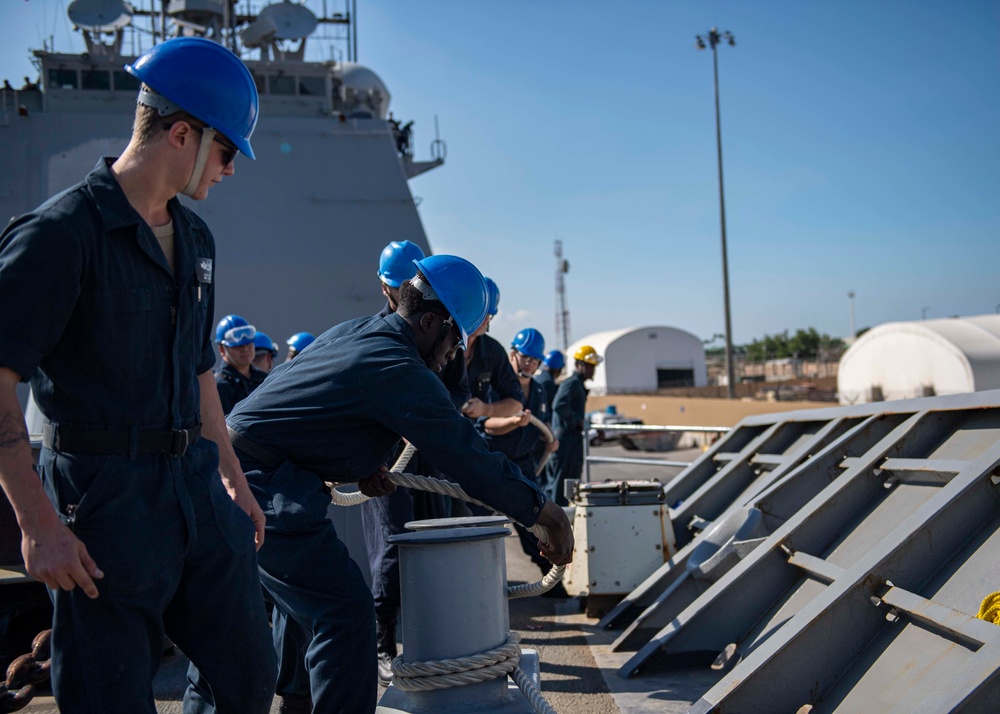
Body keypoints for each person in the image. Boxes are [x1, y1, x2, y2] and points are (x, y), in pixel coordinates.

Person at [0, 37, 276, 713]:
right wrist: (37, 525)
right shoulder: (60, 235)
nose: (231, 170)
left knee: (247, 673)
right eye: (227, 151)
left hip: (194, 490)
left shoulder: (198, 242)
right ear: (183, 133)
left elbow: (201, 374)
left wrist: (234, 485)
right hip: (105, 502)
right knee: (109, 694)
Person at [226, 255, 573, 713]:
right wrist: (544, 513)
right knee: (345, 615)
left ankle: (296, 704)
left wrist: (355, 460)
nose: (455, 355)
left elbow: (307, 406)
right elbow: (466, 455)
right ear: (431, 322)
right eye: (455, 340)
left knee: (271, 618)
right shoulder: (398, 365)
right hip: (262, 486)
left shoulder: (359, 333)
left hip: (236, 473)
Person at [364, 239, 470, 687]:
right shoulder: (375, 338)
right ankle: (382, 643)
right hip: (389, 460)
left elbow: (459, 391)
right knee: (392, 548)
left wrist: (431, 416)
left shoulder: (443, 333)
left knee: (438, 538)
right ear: (386, 289)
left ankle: (434, 638)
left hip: (432, 456)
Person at [481, 328, 563, 594]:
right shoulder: (499, 387)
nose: (528, 363)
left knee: (535, 524)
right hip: (492, 463)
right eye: (524, 357)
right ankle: (477, 583)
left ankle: (550, 581)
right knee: (478, 522)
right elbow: (488, 426)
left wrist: (548, 440)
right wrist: (513, 422)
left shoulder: (538, 391)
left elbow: (542, 421)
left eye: (533, 360)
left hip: (524, 466)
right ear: (512, 355)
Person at [461, 277, 524, 421]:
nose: (485, 320)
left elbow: (515, 404)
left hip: (467, 436)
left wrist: (485, 409)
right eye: (481, 313)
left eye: (489, 315)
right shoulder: (441, 341)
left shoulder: (493, 351)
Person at [547, 344, 602, 506]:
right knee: (560, 486)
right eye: (589, 366)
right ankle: (555, 523)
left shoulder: (578, 384)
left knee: (570, 485)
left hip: (571, 442)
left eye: (593, 366)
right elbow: (558, 405)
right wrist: (577, 421)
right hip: (565, 443)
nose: (593, 370)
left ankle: (564, 521)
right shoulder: (571, 383)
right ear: (579, 365)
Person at [214, 314, 267, 415]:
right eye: (238, 346)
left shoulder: (264, 379)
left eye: (248, 344)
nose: (245, 349)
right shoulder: (219, 386)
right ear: (222, 349)